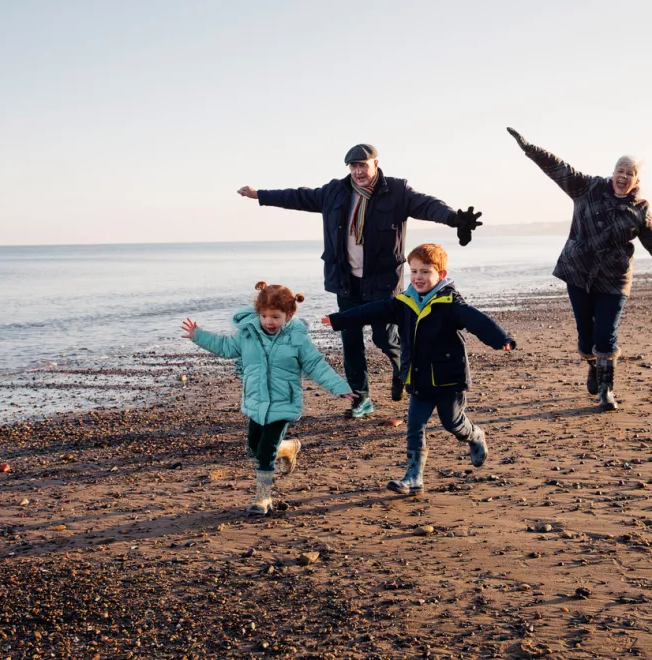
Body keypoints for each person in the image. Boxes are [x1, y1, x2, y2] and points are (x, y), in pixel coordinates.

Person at [237, 144, 483, 419]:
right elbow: (299, 196)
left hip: (382, 282)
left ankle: (403, 370)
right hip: (347, 282)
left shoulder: (397, 192)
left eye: (362, 165)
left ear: (375, 164)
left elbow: (427, 205)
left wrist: (452, 218)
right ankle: (361, 398)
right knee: (350, 340)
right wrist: (260, 195)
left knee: (385, 338)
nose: (358, 171)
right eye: (353, 167)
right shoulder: (335, 192)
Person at [322, 244, 515, 495]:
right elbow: (372, 310)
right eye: (413, 271)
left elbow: (476, 320)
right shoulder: (404, 302)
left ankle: (475, 435)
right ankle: (413, 477)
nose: (418, 277)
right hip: (419, 378)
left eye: (425, 271)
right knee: (414, 427)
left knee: (453, 423)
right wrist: (339, 319)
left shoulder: (450, 302)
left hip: (448, 379)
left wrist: (501, 338)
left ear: (441, 275)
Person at [507, 127, 652, 411]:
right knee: (586, 339)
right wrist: (529, 148)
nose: (623, 176)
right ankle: (592, 364)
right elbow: (557, 167)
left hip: (614, 280)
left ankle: (606, 390)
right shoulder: (587, 187)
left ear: (637, 180)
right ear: (613, 172)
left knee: (606, 336)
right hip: (578, 273)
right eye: (620, 170)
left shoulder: (640, 210)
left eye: (630, 172)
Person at [181, 282, 354, 515]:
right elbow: (224, 346)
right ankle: (289, 447)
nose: (269, 322)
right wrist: (198, 335)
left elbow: (315, 365)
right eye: (264, 316)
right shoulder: (247, 335)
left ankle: (263, 498)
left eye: (275, 316)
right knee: (254, 447)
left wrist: (339, 387)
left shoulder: (297, 339)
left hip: (284, 404)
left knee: (264, 452)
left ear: (289, 315)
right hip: (256, 403)